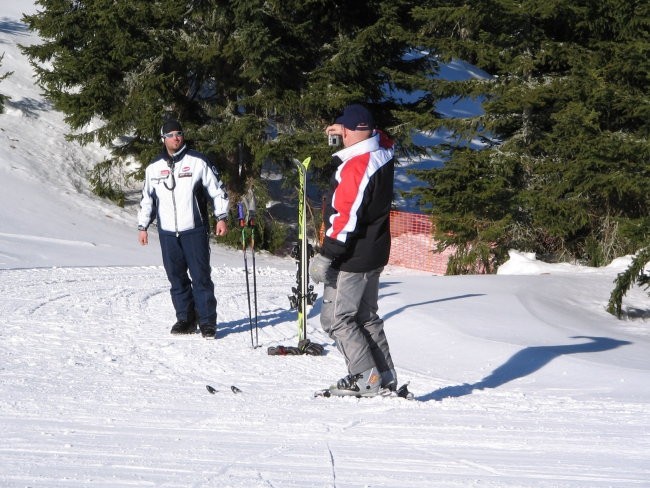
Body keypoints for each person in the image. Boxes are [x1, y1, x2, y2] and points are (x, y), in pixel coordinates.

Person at [310, 104, 397, 397]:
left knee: (336, 319)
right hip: (372, 251)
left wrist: (326, 254)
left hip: (353, 256)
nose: (340, 135)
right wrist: (348, 128)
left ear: (355, 131)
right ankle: (384, 375)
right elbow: (379, 136)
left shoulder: (358, 165)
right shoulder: (381, 152)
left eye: (344, 130)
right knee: (365, 315)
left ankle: (365, 377)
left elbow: (345, 215)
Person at [138, 119, 229, 339]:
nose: (175, 138)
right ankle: (186, 319)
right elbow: (147, 199)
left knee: (200, 277)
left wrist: (221, 217)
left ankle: (207, 322)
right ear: (163, 139)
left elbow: (217, 190)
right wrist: (143, 226)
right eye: (170, 135)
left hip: (194, 229)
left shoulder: (197, 161)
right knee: (176, 277)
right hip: (168, 232)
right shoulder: (153, 168)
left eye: (179, 133)